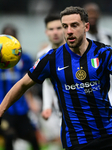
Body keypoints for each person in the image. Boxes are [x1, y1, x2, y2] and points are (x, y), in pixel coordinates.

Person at [0, 6, 112, 150]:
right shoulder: (51, 59)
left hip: (110, 135)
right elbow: (22, 84)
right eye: (65, 26)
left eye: (74, 25)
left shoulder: (103, 53)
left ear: (86, 26)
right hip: (77, 140)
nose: (68, 31)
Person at [0, 24, 40, 150]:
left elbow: (29, 81)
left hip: (21, 108)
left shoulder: (25, 58)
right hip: (2, 107)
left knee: (32, 137)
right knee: (9, 135)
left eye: (12, 37)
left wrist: (31, 100)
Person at [84, 2, 112, 133]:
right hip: (95, 87)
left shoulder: (107, 34)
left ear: (99, 15)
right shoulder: (82, 38)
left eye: (94, 12)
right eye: (88, 13)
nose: (92, 15)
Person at [36, 13, 65, 150]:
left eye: (59, 28)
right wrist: (46, 106)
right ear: (46, 32)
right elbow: (47, 83)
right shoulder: (42, 56)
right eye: (51, 29)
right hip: (60, 111)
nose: (55, 32)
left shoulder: (77, 51)